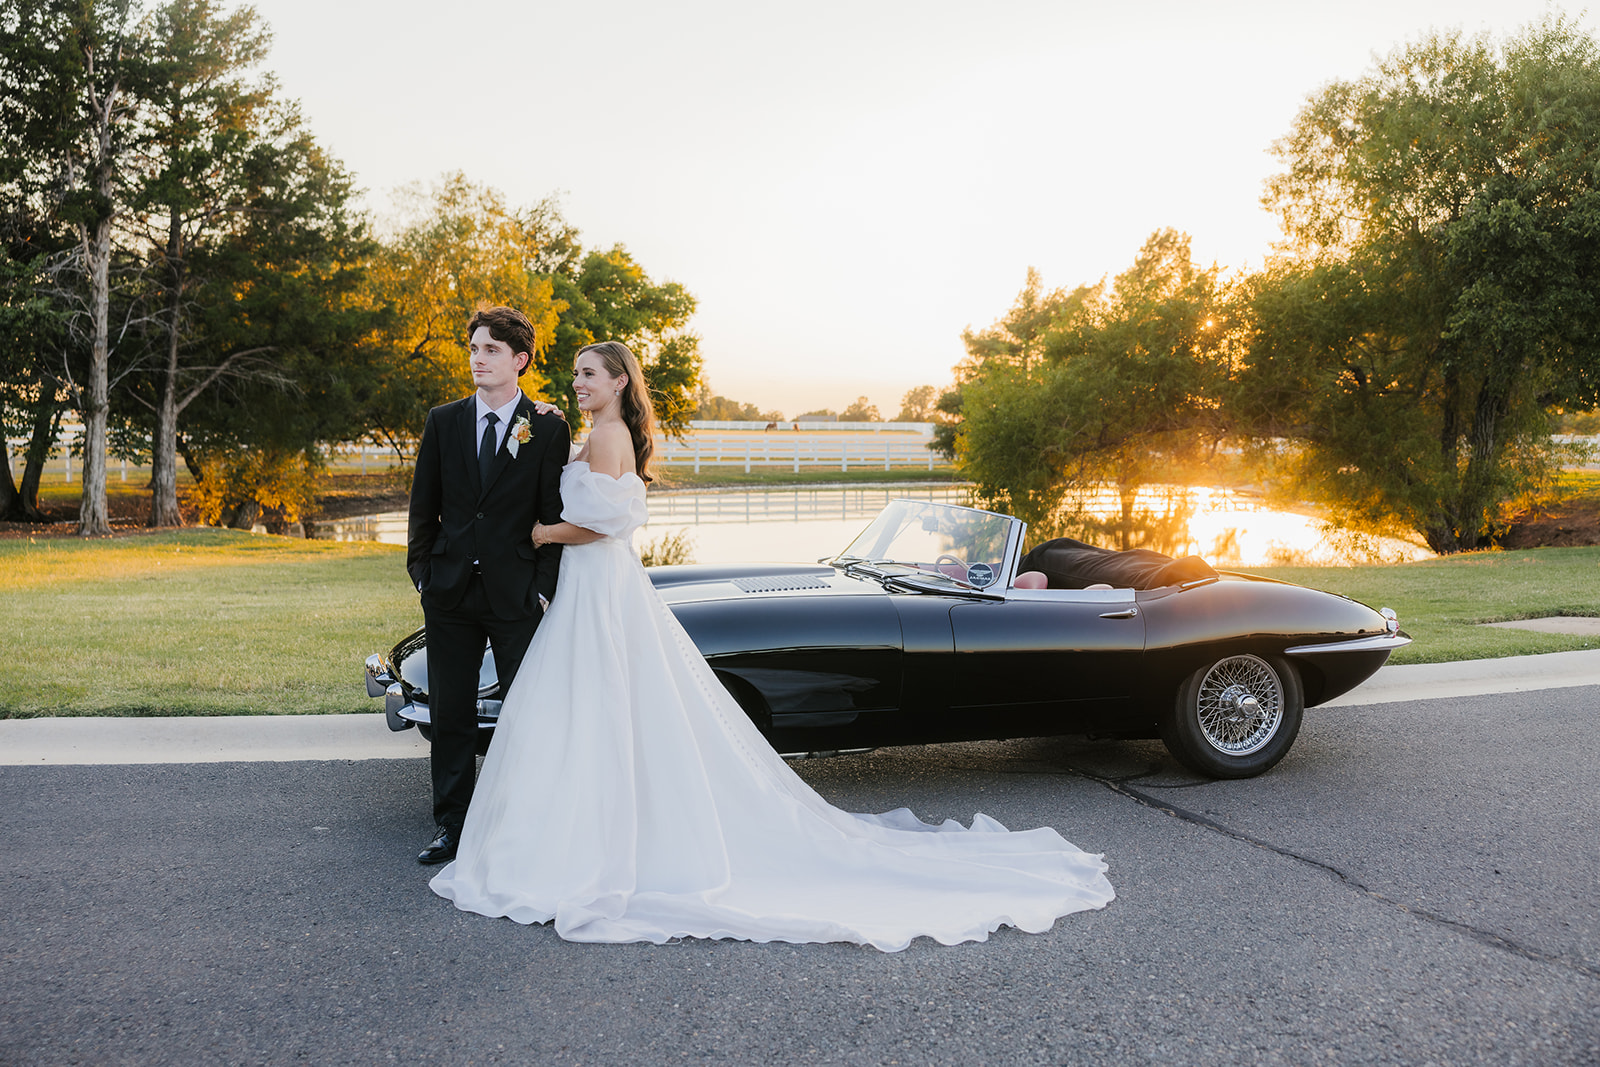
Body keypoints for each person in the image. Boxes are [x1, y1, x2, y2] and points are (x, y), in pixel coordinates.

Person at [428, 341, 1114, 950]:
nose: (576, 382)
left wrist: (544, 535)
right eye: (575, 373)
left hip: (598, 582)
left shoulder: (608, 439)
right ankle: (579, 834)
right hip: (590, 587)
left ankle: (592, 845)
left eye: (588, 373)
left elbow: (605, 523)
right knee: (591, 710)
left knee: (600, 708)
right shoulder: (595, 432)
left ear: (616, 382)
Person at [406, 306, 570, 865]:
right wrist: (423, 575)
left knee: (523, 711)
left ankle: (520, 823)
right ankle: (452, 826)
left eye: (491, 350)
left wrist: (542, 589)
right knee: (450, 714)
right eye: (474, 349)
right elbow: (422, 508)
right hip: (449, 593)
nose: (478, 359)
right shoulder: (443, 420)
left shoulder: (547, 427)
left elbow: (554, 515)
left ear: (520, 360)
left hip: (516, 595)